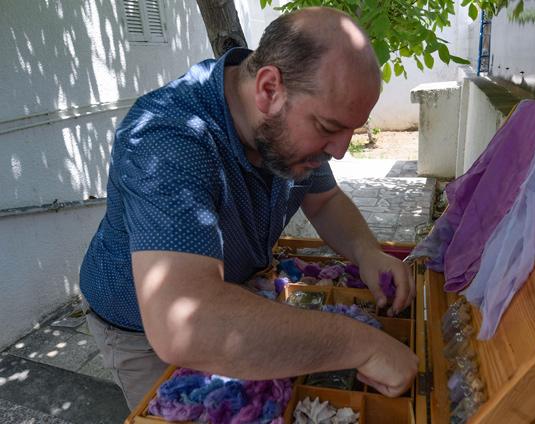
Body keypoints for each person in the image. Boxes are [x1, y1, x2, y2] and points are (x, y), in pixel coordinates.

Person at [80, 6, 418, 410]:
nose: (341, 151)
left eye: (351, 130)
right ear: (269, 89)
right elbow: (185, 325)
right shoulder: (167, 138)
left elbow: (324, 200)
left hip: (229, 292)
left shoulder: (287, 122)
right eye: (329, 129)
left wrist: (367, 252)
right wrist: (360, 344)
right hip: (140, 330)